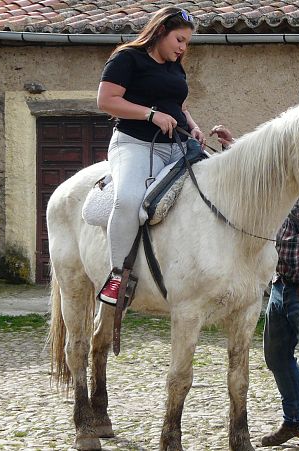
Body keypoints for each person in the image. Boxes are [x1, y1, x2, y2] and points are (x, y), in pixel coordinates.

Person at [210, 125, 299, 451]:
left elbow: (281, 201)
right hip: (282, 285)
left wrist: (243, 160)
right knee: (275, 357)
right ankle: (294, 419)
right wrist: (234, 150)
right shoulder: (283, 189)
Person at [96, 6, 204, 305]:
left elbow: (177, 104)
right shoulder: (127, 58)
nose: (183, 48)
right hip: (135, 144)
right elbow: (106, 101)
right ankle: (117, 277)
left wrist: (193, 126)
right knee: (129, 199)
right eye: (179, 40)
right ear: (160, 32)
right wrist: (149, 115)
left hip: (178, 146)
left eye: (186, 43)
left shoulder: (175, 65)